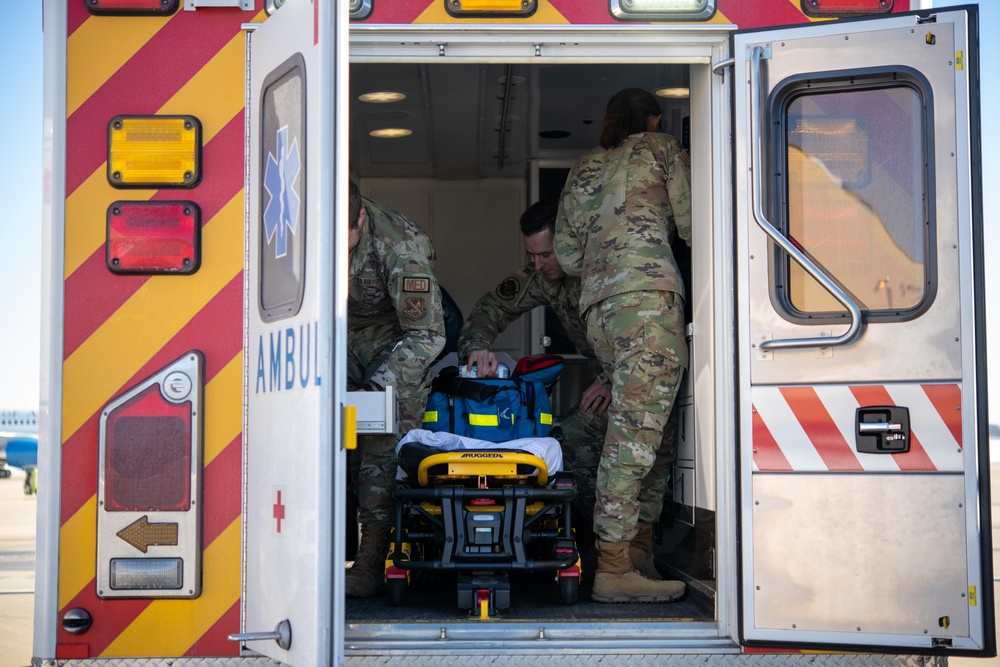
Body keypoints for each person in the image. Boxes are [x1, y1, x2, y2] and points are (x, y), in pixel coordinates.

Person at [554, 87, 692, 603]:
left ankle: (637, 556)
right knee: (634, 439)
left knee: (649, 430)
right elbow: (695, 223)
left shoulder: (584, 166)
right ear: (655, 118)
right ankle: (613, 567)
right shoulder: (660, 150)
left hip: (599, 310)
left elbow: (566, 256)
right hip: (646, 302)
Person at [457, 201, 611, 529]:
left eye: (546, 255)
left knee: (568, 445)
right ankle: (589, 544)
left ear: (569, 242)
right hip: (606, 382)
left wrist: (612, 379)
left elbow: (641, 333)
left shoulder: (606, 269)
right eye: (532, 256)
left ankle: (614, 551)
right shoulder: (542, 278)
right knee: (559, 445)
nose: (538, 265)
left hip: (634, 379)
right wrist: (478, 347)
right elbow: (490, 308)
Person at [346, 180, 446, 597]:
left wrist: (377, 385)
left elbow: (427, 335)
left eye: (345, 239)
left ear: (362, 219)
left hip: (394, 342)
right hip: (331, 335)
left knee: (379, 437)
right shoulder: (298, 227)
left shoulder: (401, 246)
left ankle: (370, 557)